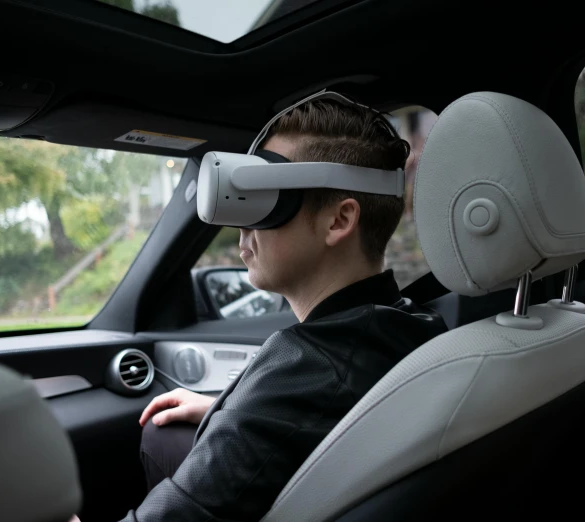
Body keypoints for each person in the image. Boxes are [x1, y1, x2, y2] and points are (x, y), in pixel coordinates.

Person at [109, 97, 447, 521]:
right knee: (169, 432)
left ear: (338, 221)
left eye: (266, 198)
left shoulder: (305, 366)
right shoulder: (412, 321)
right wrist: (224, 408)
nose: (242, 225)